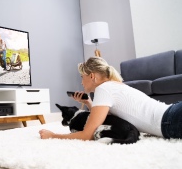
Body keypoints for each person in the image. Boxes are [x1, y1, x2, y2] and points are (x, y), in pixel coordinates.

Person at [39, 56, 182, 140]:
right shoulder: (112, 85)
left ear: (92, 76)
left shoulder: (103, 89)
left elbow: (87, 135)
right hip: (172, 113)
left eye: (82, 77)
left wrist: (53, 135)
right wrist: (88, 102)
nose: (81, 82)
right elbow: (105, 116)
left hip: (171, 121)